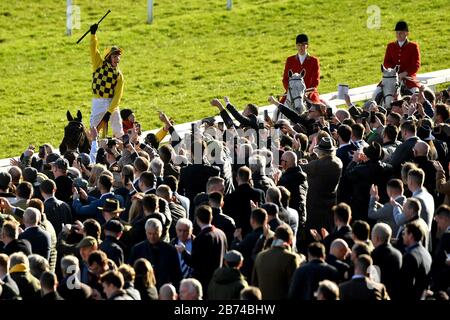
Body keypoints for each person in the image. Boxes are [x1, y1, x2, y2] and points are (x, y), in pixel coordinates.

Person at [88, 22, 124, 138]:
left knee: (118, 130)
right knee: (93, 130)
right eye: (114, 56)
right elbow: (94, 49)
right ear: (108, 57)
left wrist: (109, 112)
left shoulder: (119, 75)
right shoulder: (98, 64)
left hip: (111, 103)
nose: (117, 59)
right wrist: (93, 35)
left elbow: (117, 97)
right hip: (97, 102)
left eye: (118, 56)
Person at [252, 225, 304, 299]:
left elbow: (254, 283)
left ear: (274, 238)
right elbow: (294, 287)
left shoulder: (260, 256)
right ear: (290, 240)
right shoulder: (291, 258)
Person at [383, 21, 421, 94]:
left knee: (416, 94)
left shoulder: (413, 46)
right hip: (392, 78)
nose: (398, 35)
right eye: (397, 33)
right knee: (376, 92)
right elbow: (386, 62)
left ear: (406, 33)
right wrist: (394, 72)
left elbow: (416, 64)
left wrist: (405, 73)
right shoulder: (390, 46)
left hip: (409, 79)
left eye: (400, 33)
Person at [282, 34, 321, 104]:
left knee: (318, 107)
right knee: (279, 108)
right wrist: (291, 91)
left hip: (309, 92)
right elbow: (285, 79)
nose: (301, 48)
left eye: (303, 45)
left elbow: (316, 80)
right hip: (292, 93)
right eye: (299, 45)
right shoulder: (290, 60)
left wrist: (307, 92)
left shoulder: (314, 60)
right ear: (296, 46)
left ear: (307, 46)